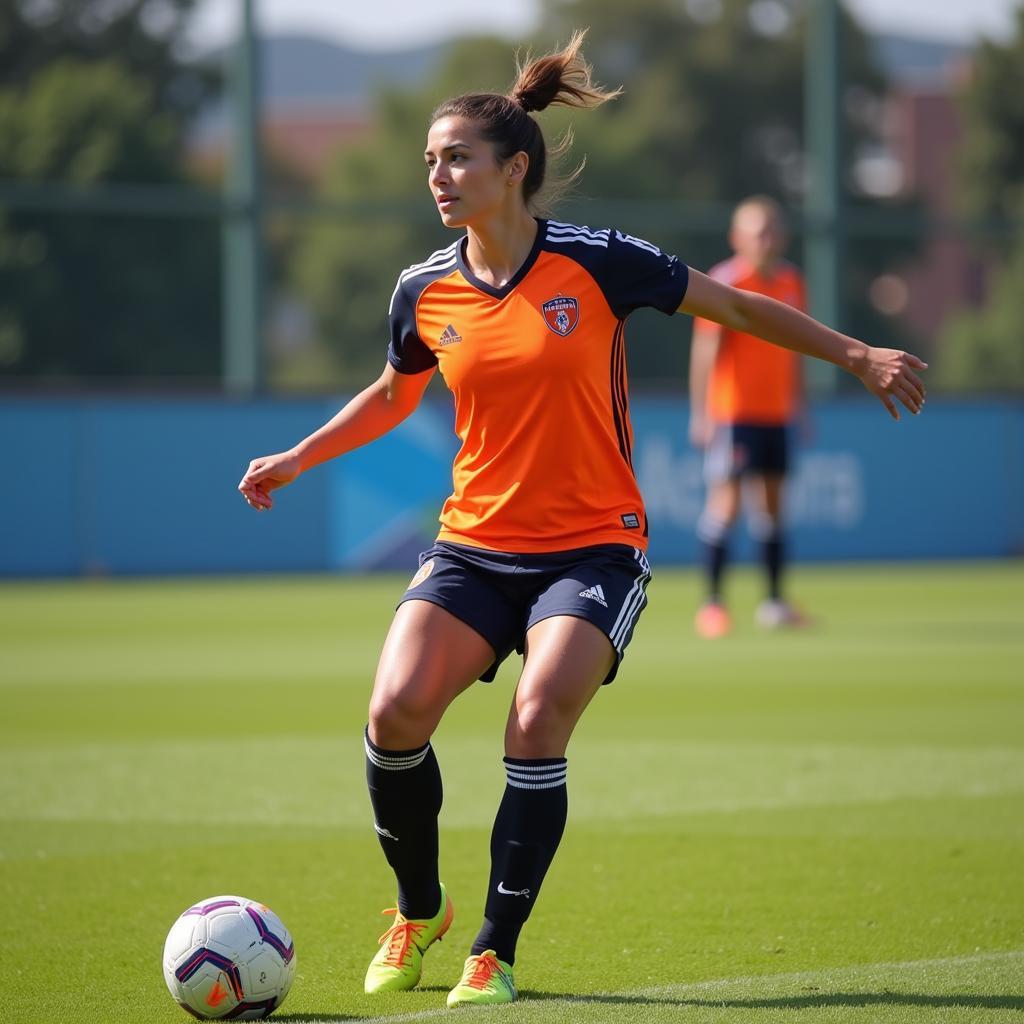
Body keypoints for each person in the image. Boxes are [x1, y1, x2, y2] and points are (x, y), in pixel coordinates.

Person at [238, 32, 926, 1008]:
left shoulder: (599, 263)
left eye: (457, 157)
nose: (437, 173)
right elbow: (395, 394)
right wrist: (300, 456)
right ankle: (418, 905)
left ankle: (492, 946)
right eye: (430, 158)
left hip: (595, 545)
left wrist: (855, 354)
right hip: (473, 544)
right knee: (392, 713)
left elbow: (731, 305)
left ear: (513, 169)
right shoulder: (422, 289)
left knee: (536, 715)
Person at [688, 195, 809, 638]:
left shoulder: (792, 282)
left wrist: (801, 407)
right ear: (737, 237)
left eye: (773, 229)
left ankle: (775, 603)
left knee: (774, 509)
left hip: (776, 414)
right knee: (727, 505)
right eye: (757, 230)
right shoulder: (727, 282)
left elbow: (798, 351)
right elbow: (706, 351)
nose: (766, 238)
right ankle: (713, 605)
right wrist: (702, 413)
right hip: (733, 416)